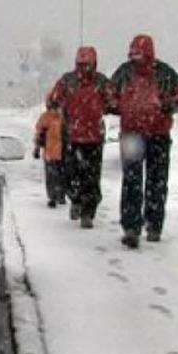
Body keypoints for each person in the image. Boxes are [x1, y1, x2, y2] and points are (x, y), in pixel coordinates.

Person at [111, 34, 178, 248]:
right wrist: (115, 106)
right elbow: (108, 97)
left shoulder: (164, 73)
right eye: (133, 55)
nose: (135, 59)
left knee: (154, 182)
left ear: (148, 53)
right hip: (135, 135)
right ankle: (132, 228)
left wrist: (167, 105)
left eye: (138, 55)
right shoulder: (126, 72)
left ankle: (152, 227)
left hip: (155, 135)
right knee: (133, 181)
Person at [48, 46, 116, 228]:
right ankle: (79, 204)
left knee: (86, 177)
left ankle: (86, 210)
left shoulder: (96, 82)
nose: (84, 68)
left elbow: (113, 102)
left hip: (87, 137)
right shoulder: (71, 81)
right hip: (77, 136)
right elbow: (53, 99)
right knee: (78, 175)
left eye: (87, 64)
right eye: (81, 64)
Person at [33, 98, 66, 208]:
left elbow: (39, 134)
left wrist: (37, 148)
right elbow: (39, 134)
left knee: (54, 176)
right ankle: (57, 196)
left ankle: (55, 195)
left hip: (54, 152)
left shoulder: (48, 118)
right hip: (57, 152)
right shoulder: (61, 118)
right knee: (58, 175)